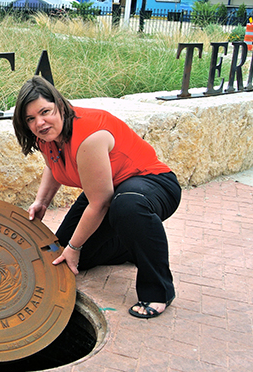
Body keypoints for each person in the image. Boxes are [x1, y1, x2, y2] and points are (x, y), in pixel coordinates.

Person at [12, 76, 181, 319]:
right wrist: (42, 202)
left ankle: (158, 290)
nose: (40, 122)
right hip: (112, 190)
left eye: (45, 112)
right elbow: (53, 164)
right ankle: (132, 245)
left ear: (60, 104)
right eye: (30, 119)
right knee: (65, 254)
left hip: (152, 184)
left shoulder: (89, 134)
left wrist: (75, 246)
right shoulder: (48, 133)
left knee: (125, 208)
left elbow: (100, 202)